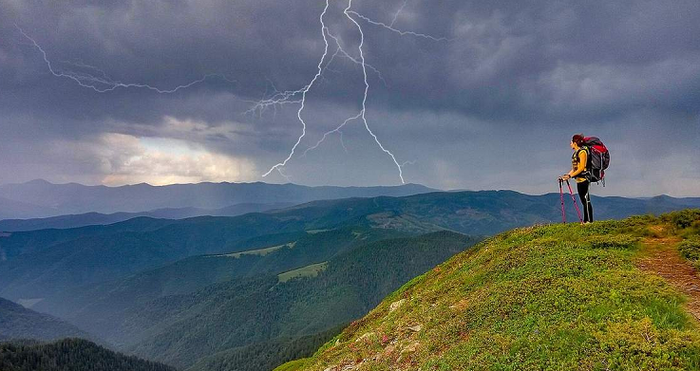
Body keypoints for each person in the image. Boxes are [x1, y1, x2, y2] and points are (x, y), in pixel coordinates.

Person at [560, 134, 593, 223]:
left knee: (586, 200)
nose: (570, 144)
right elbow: (575, 168)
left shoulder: (582, 152)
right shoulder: (576, 154)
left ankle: (589, 221)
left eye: (571, 142)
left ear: (575, 143)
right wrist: (567, 176)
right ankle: (587, 221)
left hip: (584, 179)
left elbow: (581, 167)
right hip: (579, 180)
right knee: (583, 201)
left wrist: (570, 176)